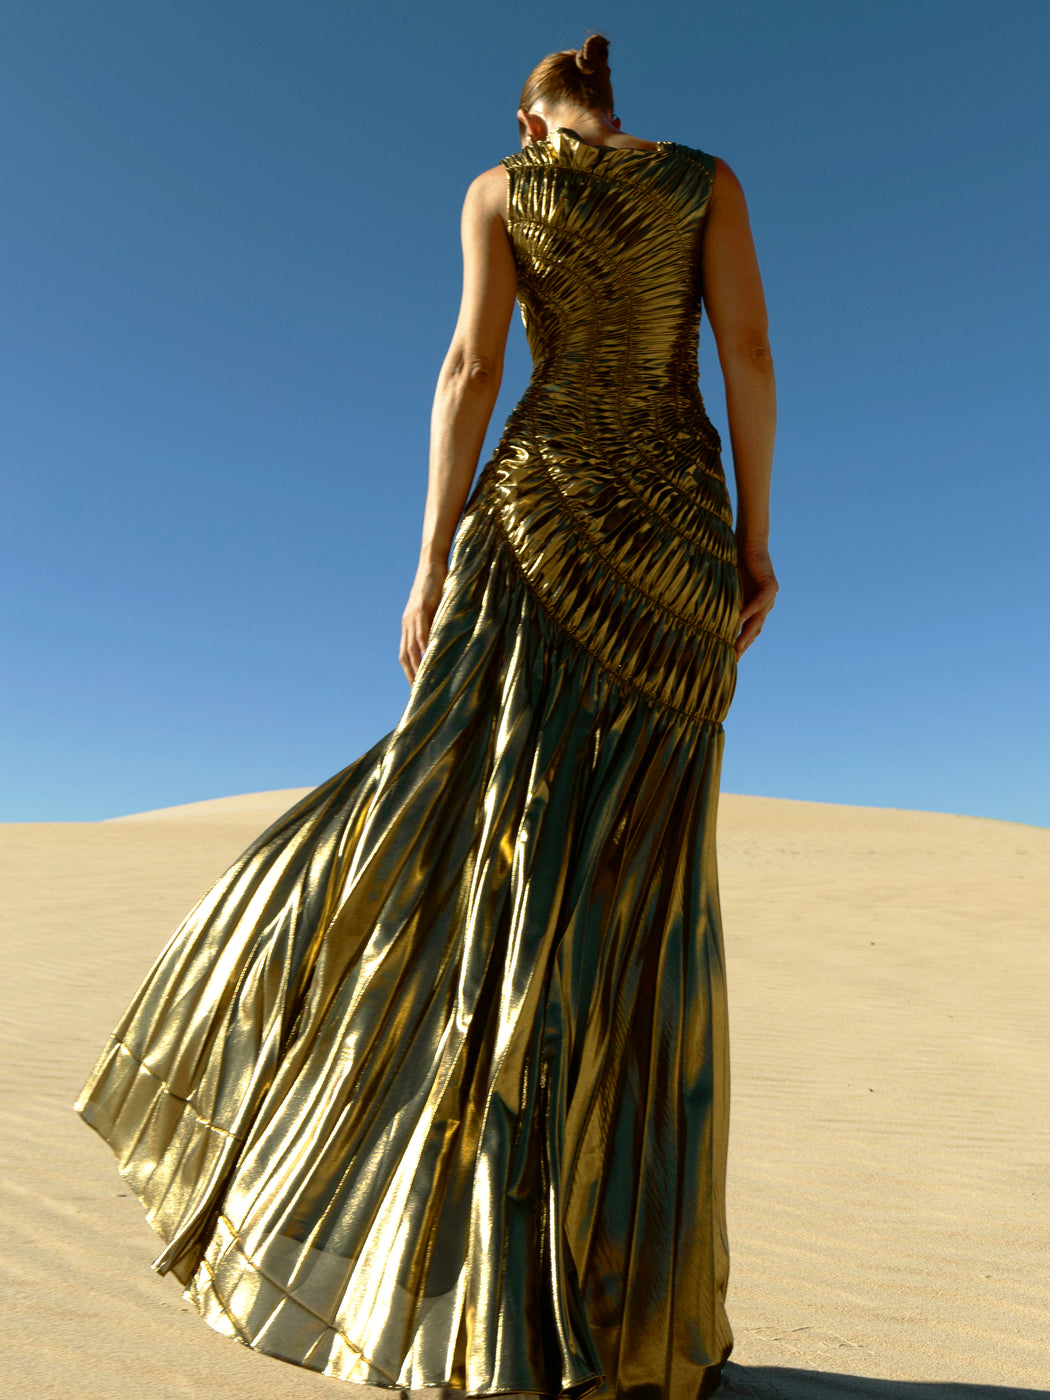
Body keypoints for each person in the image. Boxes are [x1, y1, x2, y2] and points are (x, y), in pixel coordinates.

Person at [75, 31, 777, 1400]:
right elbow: (743, 348)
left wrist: (429, 558)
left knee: (469, 845)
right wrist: (755, 539)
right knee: (633, 910)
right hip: (678, 551)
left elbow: (468, 370)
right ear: (610, 104)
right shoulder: (707, 180)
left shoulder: (497, 188)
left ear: (530, 114)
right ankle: (621, 1315)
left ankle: (477, 1294)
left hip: (533, 525)